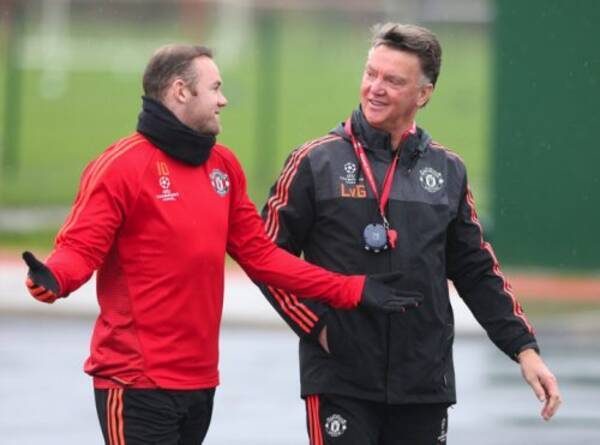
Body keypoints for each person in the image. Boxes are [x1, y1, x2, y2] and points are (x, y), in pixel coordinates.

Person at [22, 44, 423, 445]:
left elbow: (263, 257)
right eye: (215, 88)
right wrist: (54, 277)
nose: (223, 99)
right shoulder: (121, 166)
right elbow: (80, 248)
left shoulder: (223, 166)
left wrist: (353, 289)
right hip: (134, 381)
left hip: (200, 384)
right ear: (181, 91)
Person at [257, 23, 561, 444]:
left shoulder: (448, 170)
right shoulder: (315, 162)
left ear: (424, 94)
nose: (375, 88)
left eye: (393, 80)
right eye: (371, 74)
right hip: (341, 379)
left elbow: (476, 270)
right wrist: (320, 326)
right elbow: (265, 255)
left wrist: (524, 349)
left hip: (423, 383)